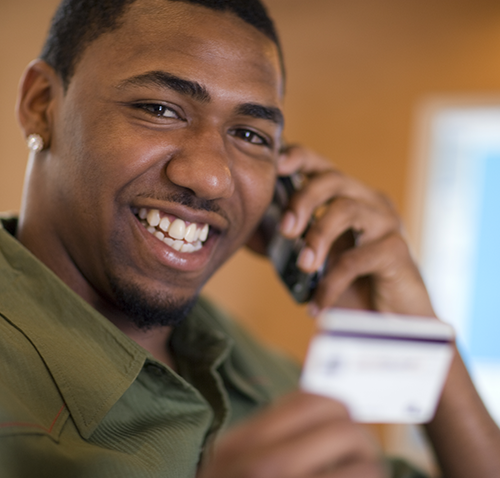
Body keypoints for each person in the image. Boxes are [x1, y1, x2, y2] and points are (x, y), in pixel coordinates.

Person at [1, 0, 499, 477]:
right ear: (41, 104)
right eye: (159, 108)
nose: (211, 177)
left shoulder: (252, 368)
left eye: (250, 136)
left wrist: (421, 330)